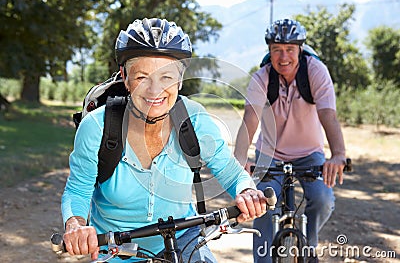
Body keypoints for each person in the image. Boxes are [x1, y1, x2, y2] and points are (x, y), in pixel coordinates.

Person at [61, 17, 268, 263]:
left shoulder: (194, 118)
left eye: (167, 77)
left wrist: (246, 191)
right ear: (125, 78)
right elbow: (78, 188)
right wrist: (75, 225)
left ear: (180, 80)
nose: (154, 90)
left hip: (183, 238)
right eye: (142, 77)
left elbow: (230, 171)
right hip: (115, 248)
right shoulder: (97, 126)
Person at [234, 18, 347, 262]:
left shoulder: (316, 72)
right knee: (263, 202)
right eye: (276, 50)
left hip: (309, 153)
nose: (283, 57)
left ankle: (309, 244)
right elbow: (250, 120)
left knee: (322, 199)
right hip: (270, 155)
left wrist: (338, 154)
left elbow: (328, 114)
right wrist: (240, 160)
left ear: (300, 49)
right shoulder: (262, 77)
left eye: (289, 50)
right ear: (269, 51)